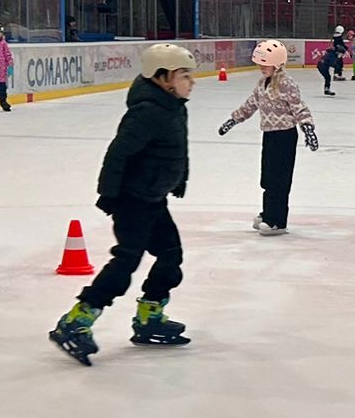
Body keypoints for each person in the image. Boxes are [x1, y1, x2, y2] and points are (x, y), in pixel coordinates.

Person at [49, 44, 196, 365]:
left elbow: (176, 150)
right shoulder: (147, 112)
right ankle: (77, 319)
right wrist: (109, 194)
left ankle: (149, 315)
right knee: (126, 261)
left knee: (171, 255)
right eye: (184, 75)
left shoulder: (173, 106)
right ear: (163, 77)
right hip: (132, 200)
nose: (192, 82)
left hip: (154, 197)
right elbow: (118, 153)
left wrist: (178, 179)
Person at [220, 39, 319, 234]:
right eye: (259, 64)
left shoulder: (286, 83)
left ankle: (277, 221)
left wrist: (308, 128)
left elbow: (299, 107)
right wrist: (234, 120)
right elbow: (251, 104)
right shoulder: (262, 83)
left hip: (285, 136)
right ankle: (268, 212)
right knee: (267, 178)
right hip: (269, 135)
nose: (261, 68)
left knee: (279, 179)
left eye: (264, 64)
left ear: (277, 64)